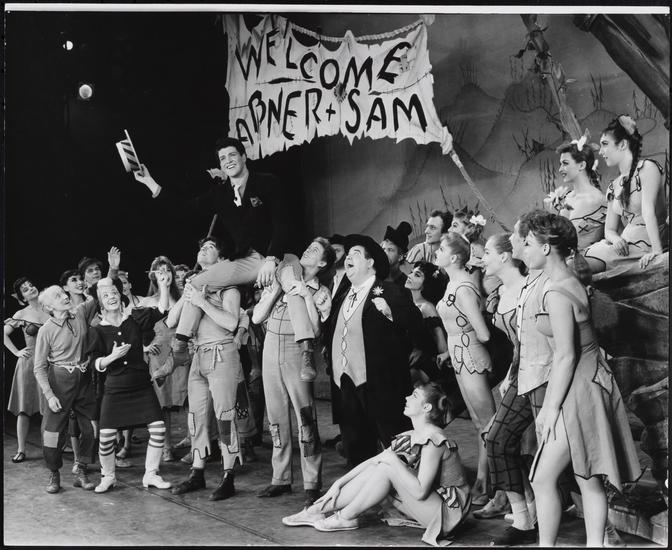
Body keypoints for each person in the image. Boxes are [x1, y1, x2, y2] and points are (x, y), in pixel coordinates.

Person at [134, 137, 319, 382]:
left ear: (243, 157)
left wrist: (271, 258)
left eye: (232, 155)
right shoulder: (220, 194)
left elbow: (283, 223)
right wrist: (150, 183)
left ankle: (306, 350)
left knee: (293, 286)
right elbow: (184, 209)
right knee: (195, 283)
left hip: (279, 255)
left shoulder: (267, 182)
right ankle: (179, 349)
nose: (228, 161)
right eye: (223, 158)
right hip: (248, 259)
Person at [523, 211, 642, 547]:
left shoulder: (558, 291)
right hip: (589, 381)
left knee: (544, 478)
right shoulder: (566, 281)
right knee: (587, 477)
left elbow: (565, 356)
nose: (523, 250)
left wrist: (549, 410)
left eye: (528, 243)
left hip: (581, 386)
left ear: (546, 248)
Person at [282, 382, 471, 546]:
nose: (407, 398)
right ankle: (316, 511)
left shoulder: (433, 440)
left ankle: (346, 516)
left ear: (427, 407)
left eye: (414, 396)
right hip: (429, 506)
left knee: (387, 466)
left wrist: (392, 461)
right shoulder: (412, 435)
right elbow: (374, 461)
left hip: (446, 515)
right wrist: (338, 483)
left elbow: (420, 491)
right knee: (381, 465)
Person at [167, 236, 257, 501]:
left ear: (221, 258)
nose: (203, 250)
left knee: (225, 418)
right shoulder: (196, 285)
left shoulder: (229, 289)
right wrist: (189, 294)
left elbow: (230, 323)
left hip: (221, 354)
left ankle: (228, 475)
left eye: (210, 247)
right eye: (201, 247)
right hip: (198, 356)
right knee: (195, 419)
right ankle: (197, 472)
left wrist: (202, 302)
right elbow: (171, 321)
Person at [323, 234, 422, 466]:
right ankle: (365, 485)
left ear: (370, 263)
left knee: (399, 447)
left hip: (383, 385)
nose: (349, 257)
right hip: (345, 385)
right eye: (348, 254)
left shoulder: (390, 291)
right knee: (357, 451)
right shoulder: (341, 296)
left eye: (356, 254)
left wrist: (390, 313)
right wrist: (326, 315)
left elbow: (416, 325)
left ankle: (412, 483)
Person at [252, 237, 335, 506]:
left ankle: (311, 483)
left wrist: (306, 295)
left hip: (297, 353)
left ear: (323, 263)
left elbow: (317, 329)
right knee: (276, 417)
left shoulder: (321, 292)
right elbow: (257, 317)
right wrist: (278, 288)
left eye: (315, 250)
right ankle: (280, 478)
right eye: (308, 246)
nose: (308, 250)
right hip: (270, 349)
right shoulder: (283, 277)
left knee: (305, 417)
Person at [87, 275, 173, 493]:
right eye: (106, 295)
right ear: (100, 302)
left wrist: (163, 286)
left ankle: (151, 474)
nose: (111, 297)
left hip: (141, 386)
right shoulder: (97, 330)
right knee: (106, 436)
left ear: (121, 296)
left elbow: (161, 310)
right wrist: (112, 357)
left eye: (114, 293)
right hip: (115, 388)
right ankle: (108, 477)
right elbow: (94, 363)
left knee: (158, 428)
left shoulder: (135, 318)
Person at [478, 233, 537, 534]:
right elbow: (517, 344)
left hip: (538, 373)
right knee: (500, 439)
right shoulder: (499, 293)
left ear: (504, 257)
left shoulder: (529, 287)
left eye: (487, 252)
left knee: (502, 440)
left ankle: (529, 514)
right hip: (519, 372)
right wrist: (510, 375)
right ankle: (526, 511)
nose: (482, 258)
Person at [434, 232, 494, 506]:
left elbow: (483, 333)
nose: (437, 252)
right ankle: (484, 481)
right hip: (460, 356)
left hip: (470, 356)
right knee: (479, 423)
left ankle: (489, 483)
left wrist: (461, 340)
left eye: (442, 249)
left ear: (455, 257)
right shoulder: (453, 283)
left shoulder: (464, 288)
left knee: (487, 423)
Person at [34, 284, 101, 493]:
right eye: (58, 296)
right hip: (59, 382)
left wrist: (112, 271)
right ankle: (54, 473)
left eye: (63, 293)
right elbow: (39, 367)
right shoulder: (46, 330)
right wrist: (49, 395)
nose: (64, 297)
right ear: (48, 307)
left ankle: (81, 469)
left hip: (83, 380)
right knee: (52, 434)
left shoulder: (79, 313)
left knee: (91, 428)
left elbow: (100, 293)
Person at [584, 115, 667, 273]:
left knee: (584, 263)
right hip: (625, 246)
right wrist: (616, 240)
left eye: (605, 144)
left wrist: (657, 251)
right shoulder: (614, 186)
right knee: (581, 258)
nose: (600, 151)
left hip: (648, 243)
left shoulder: (647, 168)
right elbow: (609, 229)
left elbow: (648, 212)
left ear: (622, 144)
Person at [138, 256, 187, 463]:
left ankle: (195, 442)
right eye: (159, 270)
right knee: (163, 403)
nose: (164, 274)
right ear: (153, 276)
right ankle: (166, 447)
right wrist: (144, 347)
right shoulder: (147, 301)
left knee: (189, 398)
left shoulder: (183, 296)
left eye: (167, 270)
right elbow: (134, 330)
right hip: (159, 355)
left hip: (183, 351)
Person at [4, 278, 50, 463]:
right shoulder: (21, 313)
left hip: (49, 362)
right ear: (22, 297)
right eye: (25, 289)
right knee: (24, 410)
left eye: (31, 285)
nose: (30, 288)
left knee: (49, 409)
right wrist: (16, 352)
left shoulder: (50, 308)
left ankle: (50, 448)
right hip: (29, 363)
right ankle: (21, 449)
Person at [548, 137, 607, 253]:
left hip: (583, 259)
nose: (560, 169)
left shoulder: (597, 200)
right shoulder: (567, 197)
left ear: (581, 165)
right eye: (560, 164)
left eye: (565, 163)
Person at [380, 221, 412, 287]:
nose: (384, 253)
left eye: (390, 250)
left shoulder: (406, 284)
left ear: (400, 257)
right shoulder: (373, 277)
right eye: (383, 249)